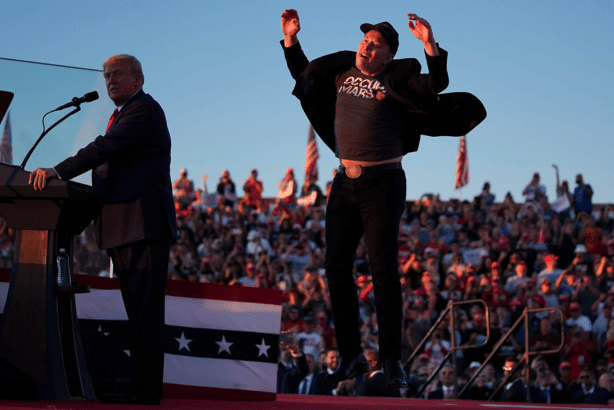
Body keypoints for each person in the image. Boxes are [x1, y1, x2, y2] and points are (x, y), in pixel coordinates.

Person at [280, 8, 483, 389]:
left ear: (387, 55)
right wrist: (291, 38)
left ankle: (391, 359)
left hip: (383, 183)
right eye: (364, 40)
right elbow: (303, 74)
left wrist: (429, 45)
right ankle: (351, 355)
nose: (365, 46)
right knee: (336, 267)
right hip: (344, 183)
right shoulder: (342, 73)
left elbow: (436, 83)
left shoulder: (398, 79)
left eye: (374, 44)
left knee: (383, 269)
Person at [29, 54, 175, 405]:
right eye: (107, 75)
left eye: (118, 74)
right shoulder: (123, 114)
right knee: (137, 314)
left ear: (138, 80)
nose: (110, 80)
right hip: (125, 227)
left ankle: (145, 391)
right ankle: (140, 387)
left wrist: (59, 171)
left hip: (142, 226)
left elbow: (104, 149)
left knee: (145, 315)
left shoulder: (143, 110)